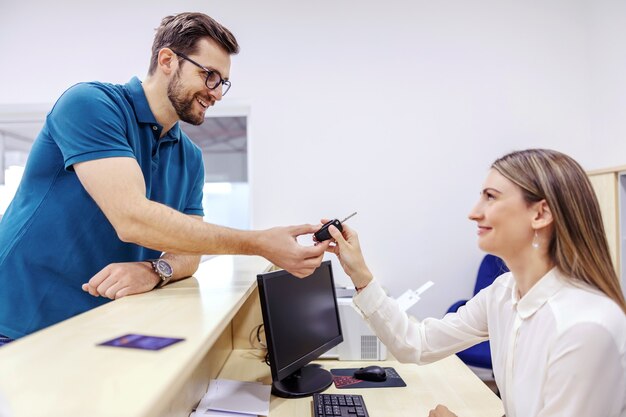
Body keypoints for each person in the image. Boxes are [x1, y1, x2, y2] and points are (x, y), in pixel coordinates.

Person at [0, 12, 329, 345]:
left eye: (222, 82)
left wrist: (155, 271)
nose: (216, 93)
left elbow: (189, 253)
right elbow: (132, 218)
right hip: (18, 323)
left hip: (97, 327)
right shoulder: (90, 105)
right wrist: (258, 242)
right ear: (168, 59)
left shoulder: (190, 157)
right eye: (209, 75)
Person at [325, 149, 626, 417]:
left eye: (491, 196)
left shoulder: (585, 327)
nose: (473, 212)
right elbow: (416, 343)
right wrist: (360, 274)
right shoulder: (504, 293)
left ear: (540, 213)